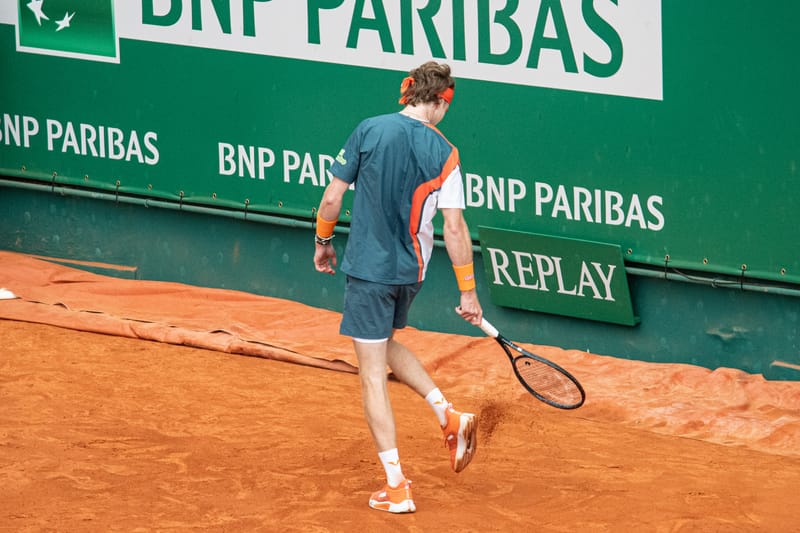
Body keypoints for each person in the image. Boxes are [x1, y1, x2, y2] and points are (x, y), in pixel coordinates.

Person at [313, 61, 483, 514]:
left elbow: (332, 198)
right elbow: (455, 228)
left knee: (370, 374)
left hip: (370, 271)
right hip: (411, 273)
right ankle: (446, 412)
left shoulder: (369, 130)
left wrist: (323, 242)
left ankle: (396, 487)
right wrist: (468, 292)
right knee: (382, 343)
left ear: (408, 93)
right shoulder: (448, 154)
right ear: (442, 102)